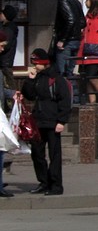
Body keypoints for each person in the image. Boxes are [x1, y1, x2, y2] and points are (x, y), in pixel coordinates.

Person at [21, 48, 72, 196]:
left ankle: (56, 185)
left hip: (53, 122)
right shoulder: (37, 77)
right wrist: (29, 80)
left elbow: (65, 101)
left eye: (36, 63)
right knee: (37, 153)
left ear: (45, 63)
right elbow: (29, 95)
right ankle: (44, 182)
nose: (34, 66)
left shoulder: (56, 79)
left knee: (54, 155)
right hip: (39, 122)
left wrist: (62, 121)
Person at [52, 0, 85, 99]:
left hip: (67, 41)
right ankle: (75, 99)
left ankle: (65, 99)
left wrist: (62, 39)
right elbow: (83, 21)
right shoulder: (75, 0)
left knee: (61, 72)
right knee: (70, 72)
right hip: (75, 40)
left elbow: (70, 20)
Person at [0, 5, 18, 90]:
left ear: (6, 16)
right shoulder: (5, 27)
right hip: (4, 62)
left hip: (5, 62)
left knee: (8, 85)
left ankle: (12, 102)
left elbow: (5, 45)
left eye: (2, 13)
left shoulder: (9, 28)